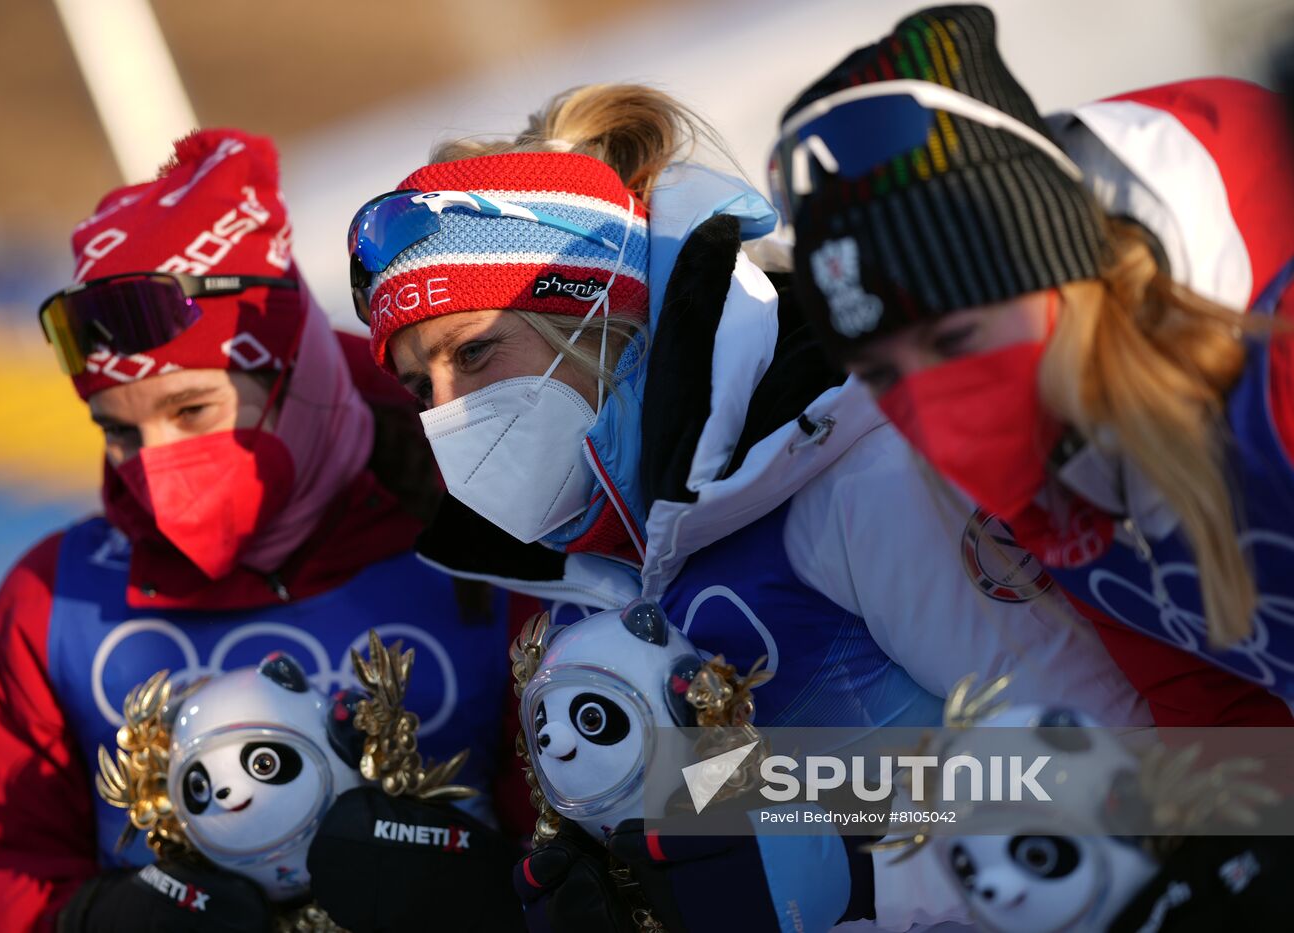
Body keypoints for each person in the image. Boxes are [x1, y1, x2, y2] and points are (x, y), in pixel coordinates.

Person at [346, 83, 1148, 930]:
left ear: (596, 315)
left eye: (474, 352)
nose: (447, 411)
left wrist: (856, 879)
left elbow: (1121, 763)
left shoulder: (860, 470)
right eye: (417, 385)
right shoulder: (595, 567)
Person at [0, 129, 524, 932]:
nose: (155, 466)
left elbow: (682, 829)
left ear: (297, 385)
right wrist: (84, 919)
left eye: (194, 410)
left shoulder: (494, 547)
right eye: (119, 430)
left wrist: (501, 889)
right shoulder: (53, 605)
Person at [777, 4, 1294, 727]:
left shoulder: (1274, 362)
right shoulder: (1047, 459)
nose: (933, 407)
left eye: (954, 339)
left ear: (1057, 272)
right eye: (884, 375)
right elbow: (1214, 708)